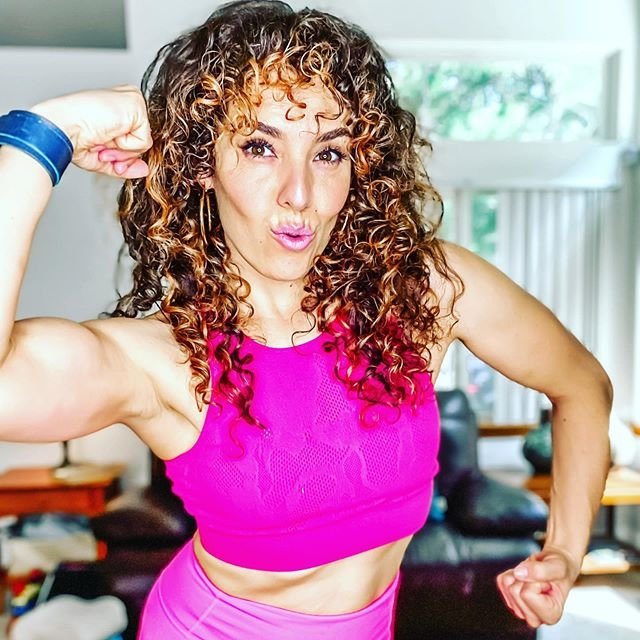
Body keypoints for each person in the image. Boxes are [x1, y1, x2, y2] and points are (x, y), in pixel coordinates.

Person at [0, 1, 612, 638]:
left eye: (328, 153)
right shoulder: (161, 358)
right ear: (203, 164)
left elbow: (582, 384)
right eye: (260, 147)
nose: (299, 194)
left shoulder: (423, 291)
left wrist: (566, 550)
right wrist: (46, 131)